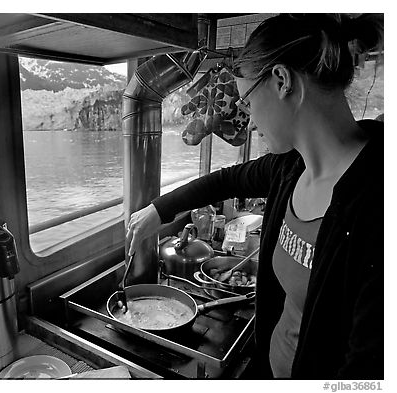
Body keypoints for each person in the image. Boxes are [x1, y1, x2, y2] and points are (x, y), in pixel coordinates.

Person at [125, 14, 383, 379]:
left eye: (247, 100)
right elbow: (225, 181)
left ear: (281, 81)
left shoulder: (377, 204)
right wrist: (158, 208)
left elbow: (368, 372)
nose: (249, 121)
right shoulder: (291, 167)